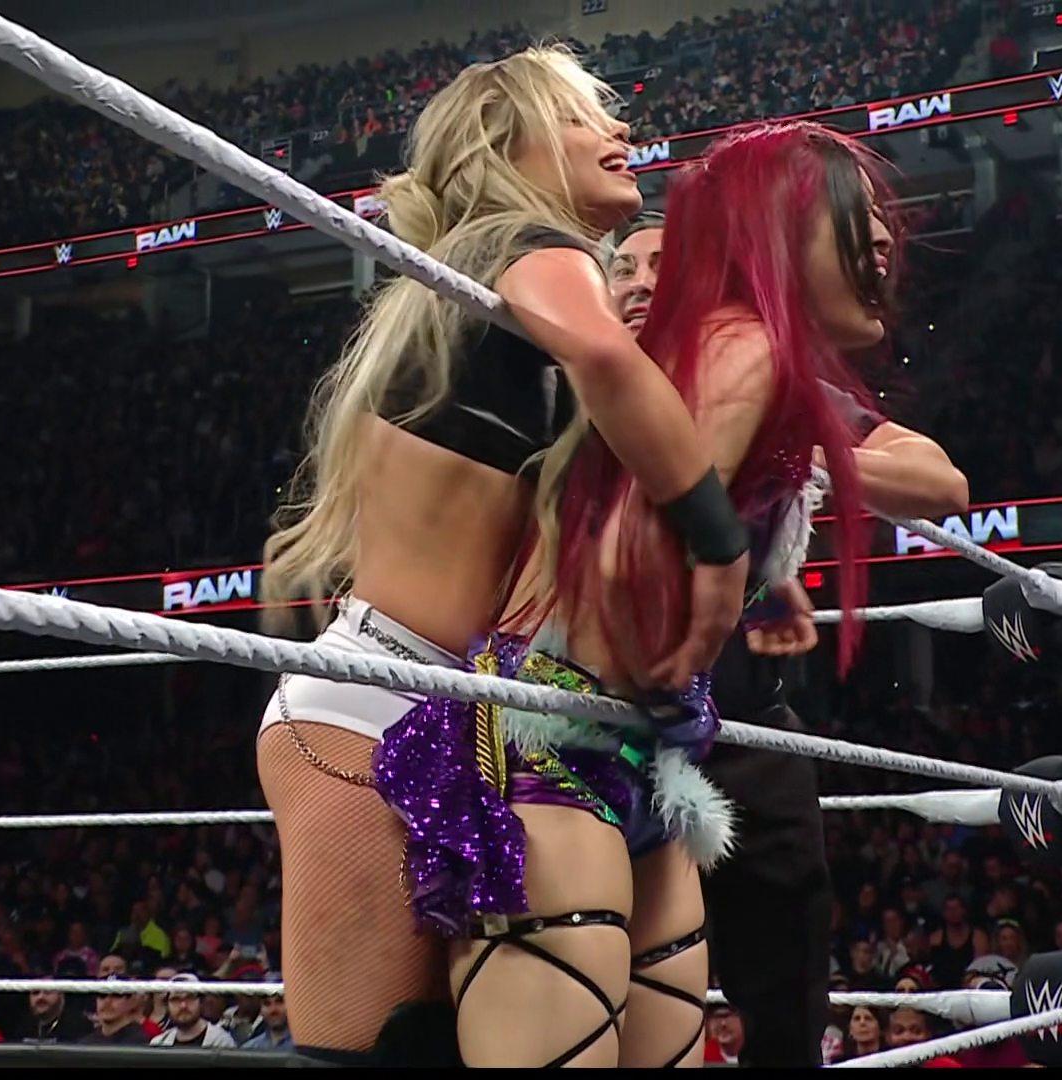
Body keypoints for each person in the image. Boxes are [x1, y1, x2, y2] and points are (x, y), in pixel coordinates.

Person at [372, 119, 913, 1067]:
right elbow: (626, 553)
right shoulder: (744, 346)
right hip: (560, 735)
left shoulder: (734, 347)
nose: (881, 238)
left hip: (626, 748)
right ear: (781, 231)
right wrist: (707, 617)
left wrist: (749, 585)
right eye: (853, 213)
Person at [258, 44, 753, 1067]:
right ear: (506, 145)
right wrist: (719, 541)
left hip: (480, 717)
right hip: (379, 704)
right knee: (380, 1053)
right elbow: (604, 355)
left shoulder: (513, 290)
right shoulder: (512, 242)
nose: (620, 130)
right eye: (582, 116)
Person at [603, 211, 965, 1068]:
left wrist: (793, 448)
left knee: (787, 950)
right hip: (596, 717)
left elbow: (941, 483)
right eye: (624, 268)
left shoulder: (758, 377)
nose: (642, 282)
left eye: (662, 266)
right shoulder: (576, 378)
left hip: (741, 722)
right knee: (607, 963)